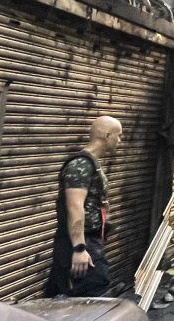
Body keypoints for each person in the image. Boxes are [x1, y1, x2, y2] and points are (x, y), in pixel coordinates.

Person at [47, 116, 123, 297]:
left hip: (90, 240)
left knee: (65, 295)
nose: (119, 140)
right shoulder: (80, 165)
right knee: (94, 293)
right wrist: (79, 249)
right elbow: (75, 207)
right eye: (118, 136)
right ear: (107, 135)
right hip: (79, 243)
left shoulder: (92, 164)